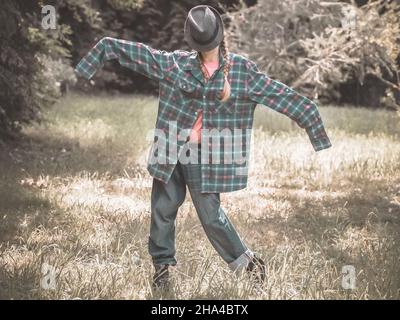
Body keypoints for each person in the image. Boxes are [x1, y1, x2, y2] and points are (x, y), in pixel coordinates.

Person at [74, 5, 332, 292]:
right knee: (162, 210)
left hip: (206, 158)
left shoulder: (241, 72)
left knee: (211, 217)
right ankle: (162, 269)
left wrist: (312, 124)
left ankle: (249, 264)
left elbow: (280, 94)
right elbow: (124, 50)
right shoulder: (174, 64)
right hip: (169, 149)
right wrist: (88, 66)